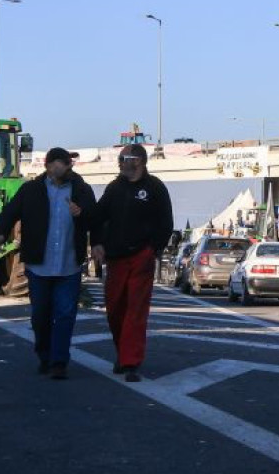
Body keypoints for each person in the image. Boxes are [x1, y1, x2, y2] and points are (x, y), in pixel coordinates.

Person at [0, 147, 98, 380]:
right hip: (38, 265)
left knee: (65, 314)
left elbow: (96, 219)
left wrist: (81, 213)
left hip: (69, 265)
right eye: (58, 163)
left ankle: (59, 362)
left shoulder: (81, 190)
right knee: (40, 314)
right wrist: (1, 234)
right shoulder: (31, 190)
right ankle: (44, 354)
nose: (63, 167)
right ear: (48, 166)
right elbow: (10, 212)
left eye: (66, 163)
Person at [91, 143, 174, 383]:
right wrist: (96, 242)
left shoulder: (155, 188)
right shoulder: (114, 188)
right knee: (115, 308)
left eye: (123, 158)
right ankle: (122, 352)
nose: (119, 163)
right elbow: (98, 216)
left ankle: (131, 362)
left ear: (138, 161)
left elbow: (166, 222)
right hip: (116, 258)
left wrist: (153, 249)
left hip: (142, 256)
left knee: (136, 310)